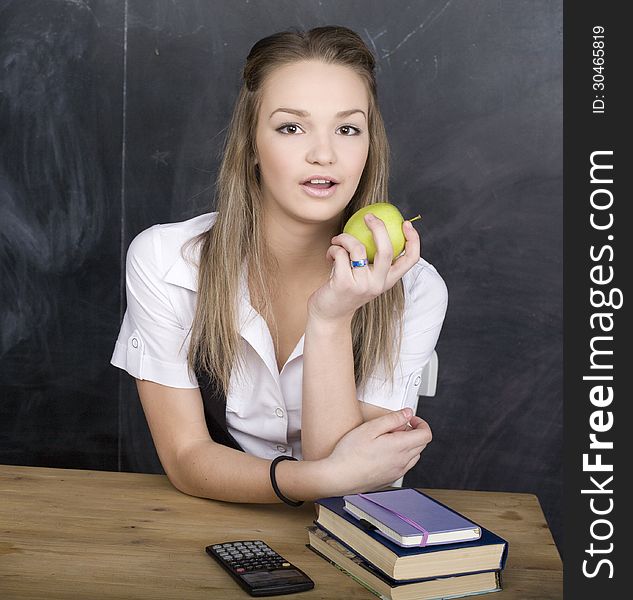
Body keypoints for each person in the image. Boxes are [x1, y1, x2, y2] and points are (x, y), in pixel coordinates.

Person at [111, 26, 448, 506]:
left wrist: (331, 319)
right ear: (251, 144)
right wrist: (317, 479)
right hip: (209, 522)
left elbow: (353, 492)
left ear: (369, 146)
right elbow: (187, 456)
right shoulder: (167, 261)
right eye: (291, 127)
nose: (324, 154)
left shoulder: (415, 288)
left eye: (347, 128)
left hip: (352, 542)